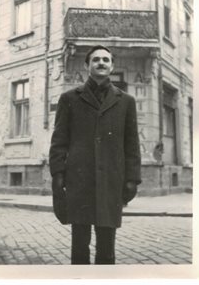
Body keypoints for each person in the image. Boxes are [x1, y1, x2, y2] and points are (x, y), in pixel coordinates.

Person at [49, 45, 141, 265]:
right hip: (80, 180)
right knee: (79, 243)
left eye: (106, 60)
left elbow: (132, 144)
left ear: (112, 66)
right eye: (96, 60)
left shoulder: (126, 101)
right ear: (87, 65)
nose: (101, 63)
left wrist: (132, 179)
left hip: (111, 180)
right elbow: (59, 140)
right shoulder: (70, 98)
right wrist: (58, 176)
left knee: (107, 245)